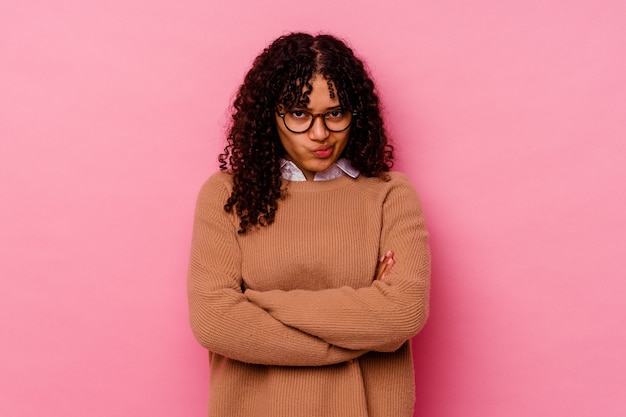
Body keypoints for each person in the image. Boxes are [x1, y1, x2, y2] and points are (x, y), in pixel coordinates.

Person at [187, 32, 430, 417]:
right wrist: (363, 331)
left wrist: (258, 302)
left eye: (335, 113)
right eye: (300, 114)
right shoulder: (225, 197)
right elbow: (215, 323)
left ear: (356, 113)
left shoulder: (390, 195)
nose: (320, 134)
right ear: (271, 113)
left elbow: (403, 313)